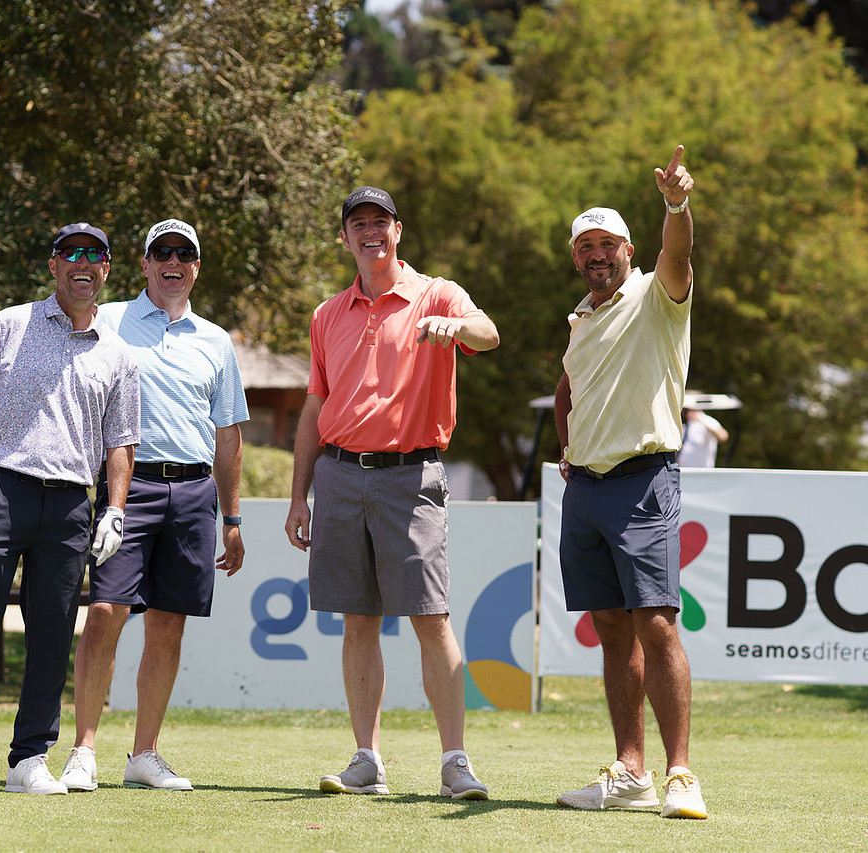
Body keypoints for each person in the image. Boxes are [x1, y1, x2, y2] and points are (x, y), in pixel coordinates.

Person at [284, 187, 500, 799]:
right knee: (358, 620)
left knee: (431, 617)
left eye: (380, 221)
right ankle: (367, 761)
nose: (370, 231)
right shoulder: (327, 314)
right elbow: (315, 407)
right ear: (345, 238)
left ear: (397, 231)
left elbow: (488, 334)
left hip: (411, 474)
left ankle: (455, 762)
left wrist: (455, 326)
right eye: (358, 223)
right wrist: (299, 496)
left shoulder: (436, 294)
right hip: (339, 475)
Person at [0, 222, 140, 796]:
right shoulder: (8, 324)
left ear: (107, 269)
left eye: (95, 254)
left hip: (69, 503)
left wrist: (114, 509)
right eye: (71, 253)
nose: (83, 263)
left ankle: (29, 759)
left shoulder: (118, 353)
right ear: (53, 265)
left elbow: (121, 442)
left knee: (53, 633)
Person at [60, 218, 249, 793]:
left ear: (196, 267)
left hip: (193, 495)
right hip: (128, 487)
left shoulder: (215, 341)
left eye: (184, 254)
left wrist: (232, 518)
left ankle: (144, 754)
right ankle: (83, 751)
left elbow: (227, 435)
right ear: (143, 264)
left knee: (168, 623)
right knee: (105, 612)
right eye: (161, 252)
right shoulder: (109, 319)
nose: (173, 262)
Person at [553, 146, 707, 819]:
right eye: (585, 246)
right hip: (585, 488)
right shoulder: (580, 319)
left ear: (628, 250)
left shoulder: (655, 294)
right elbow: (566, 391)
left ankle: (680, 775)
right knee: (611, 627)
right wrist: (568, 448)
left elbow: (678, 252)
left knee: (656, 623)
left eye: (607, 244)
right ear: (576, 256)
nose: (596, 254)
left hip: (642, 480)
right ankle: (630, 772)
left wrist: (676, 204)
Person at [678, 403, 729, 468]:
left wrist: (700, 419)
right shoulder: (685, 424)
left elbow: (723, 436)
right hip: (683, 469)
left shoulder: (707, 420)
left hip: (701, 470)